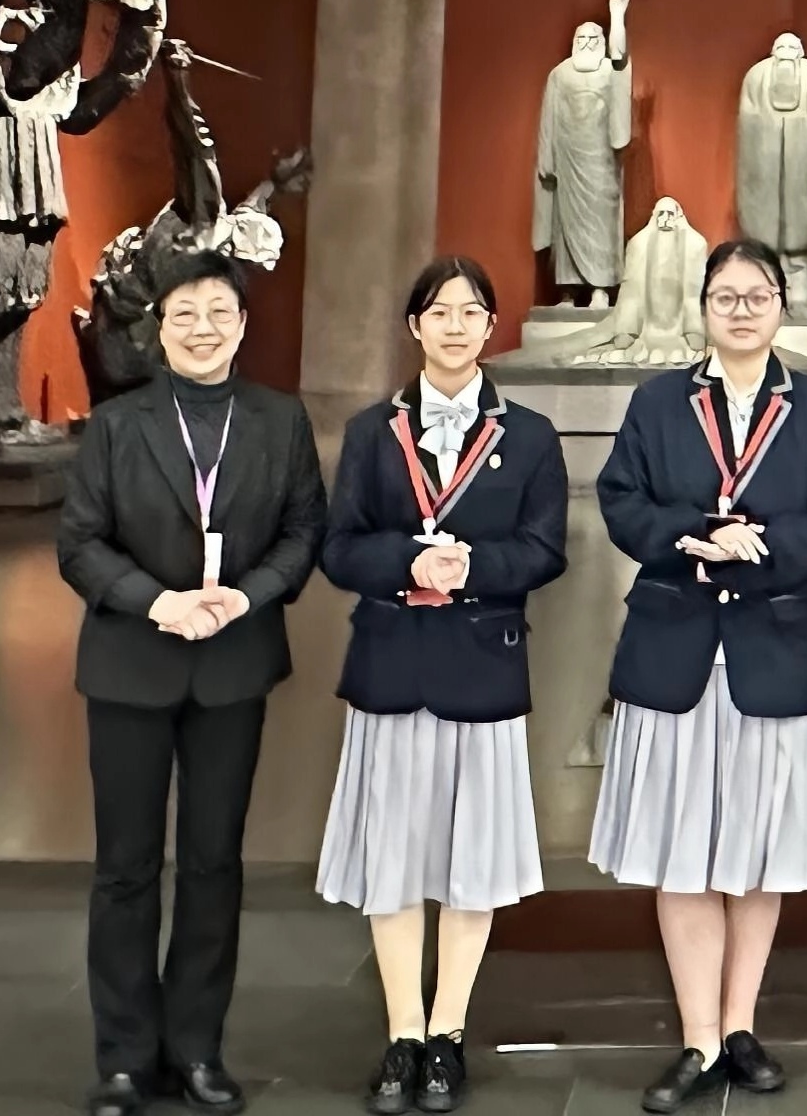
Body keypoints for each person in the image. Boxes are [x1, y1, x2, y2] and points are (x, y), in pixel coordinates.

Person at [590, 237, 807, 1113]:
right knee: (680, 854)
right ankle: (697, 1038)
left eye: (756, 296)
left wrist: (763, 547)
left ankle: (740, 1026)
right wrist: (696, 536)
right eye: (724, 297)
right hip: (672, 646)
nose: (741, 311)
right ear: (702, 308)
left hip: (769, 649)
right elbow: (622, 501)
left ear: (781, 305)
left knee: (757, 853)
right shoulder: (658, 401)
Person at [57, 254, 327, 1116]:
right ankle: (124, 1059)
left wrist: (245, 597)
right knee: (125, 868)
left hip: (231, 665)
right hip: (130, 665)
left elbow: (303, 532)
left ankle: (197, 1049)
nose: (202, 328)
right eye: (184, 314)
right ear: (159, 329)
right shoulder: (116, 425)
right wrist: (157, 602)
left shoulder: (279, 420)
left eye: (218, 312)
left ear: (242, 325)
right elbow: (80, 542)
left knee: (213, 864)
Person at [317, 257, 569, 1115]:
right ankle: (401, 1031)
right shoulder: (371, 431)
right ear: (414, 327)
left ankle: (447, 1033)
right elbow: (340, 546)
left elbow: (544, 549)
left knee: (472, 862)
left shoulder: (528, 435)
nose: (455, 327)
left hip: (482, 665)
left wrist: (472, 568)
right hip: (391, 664)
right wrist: (407, 561)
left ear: (491, 327)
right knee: (392, 859)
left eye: (470, 313)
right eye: (439, 312)